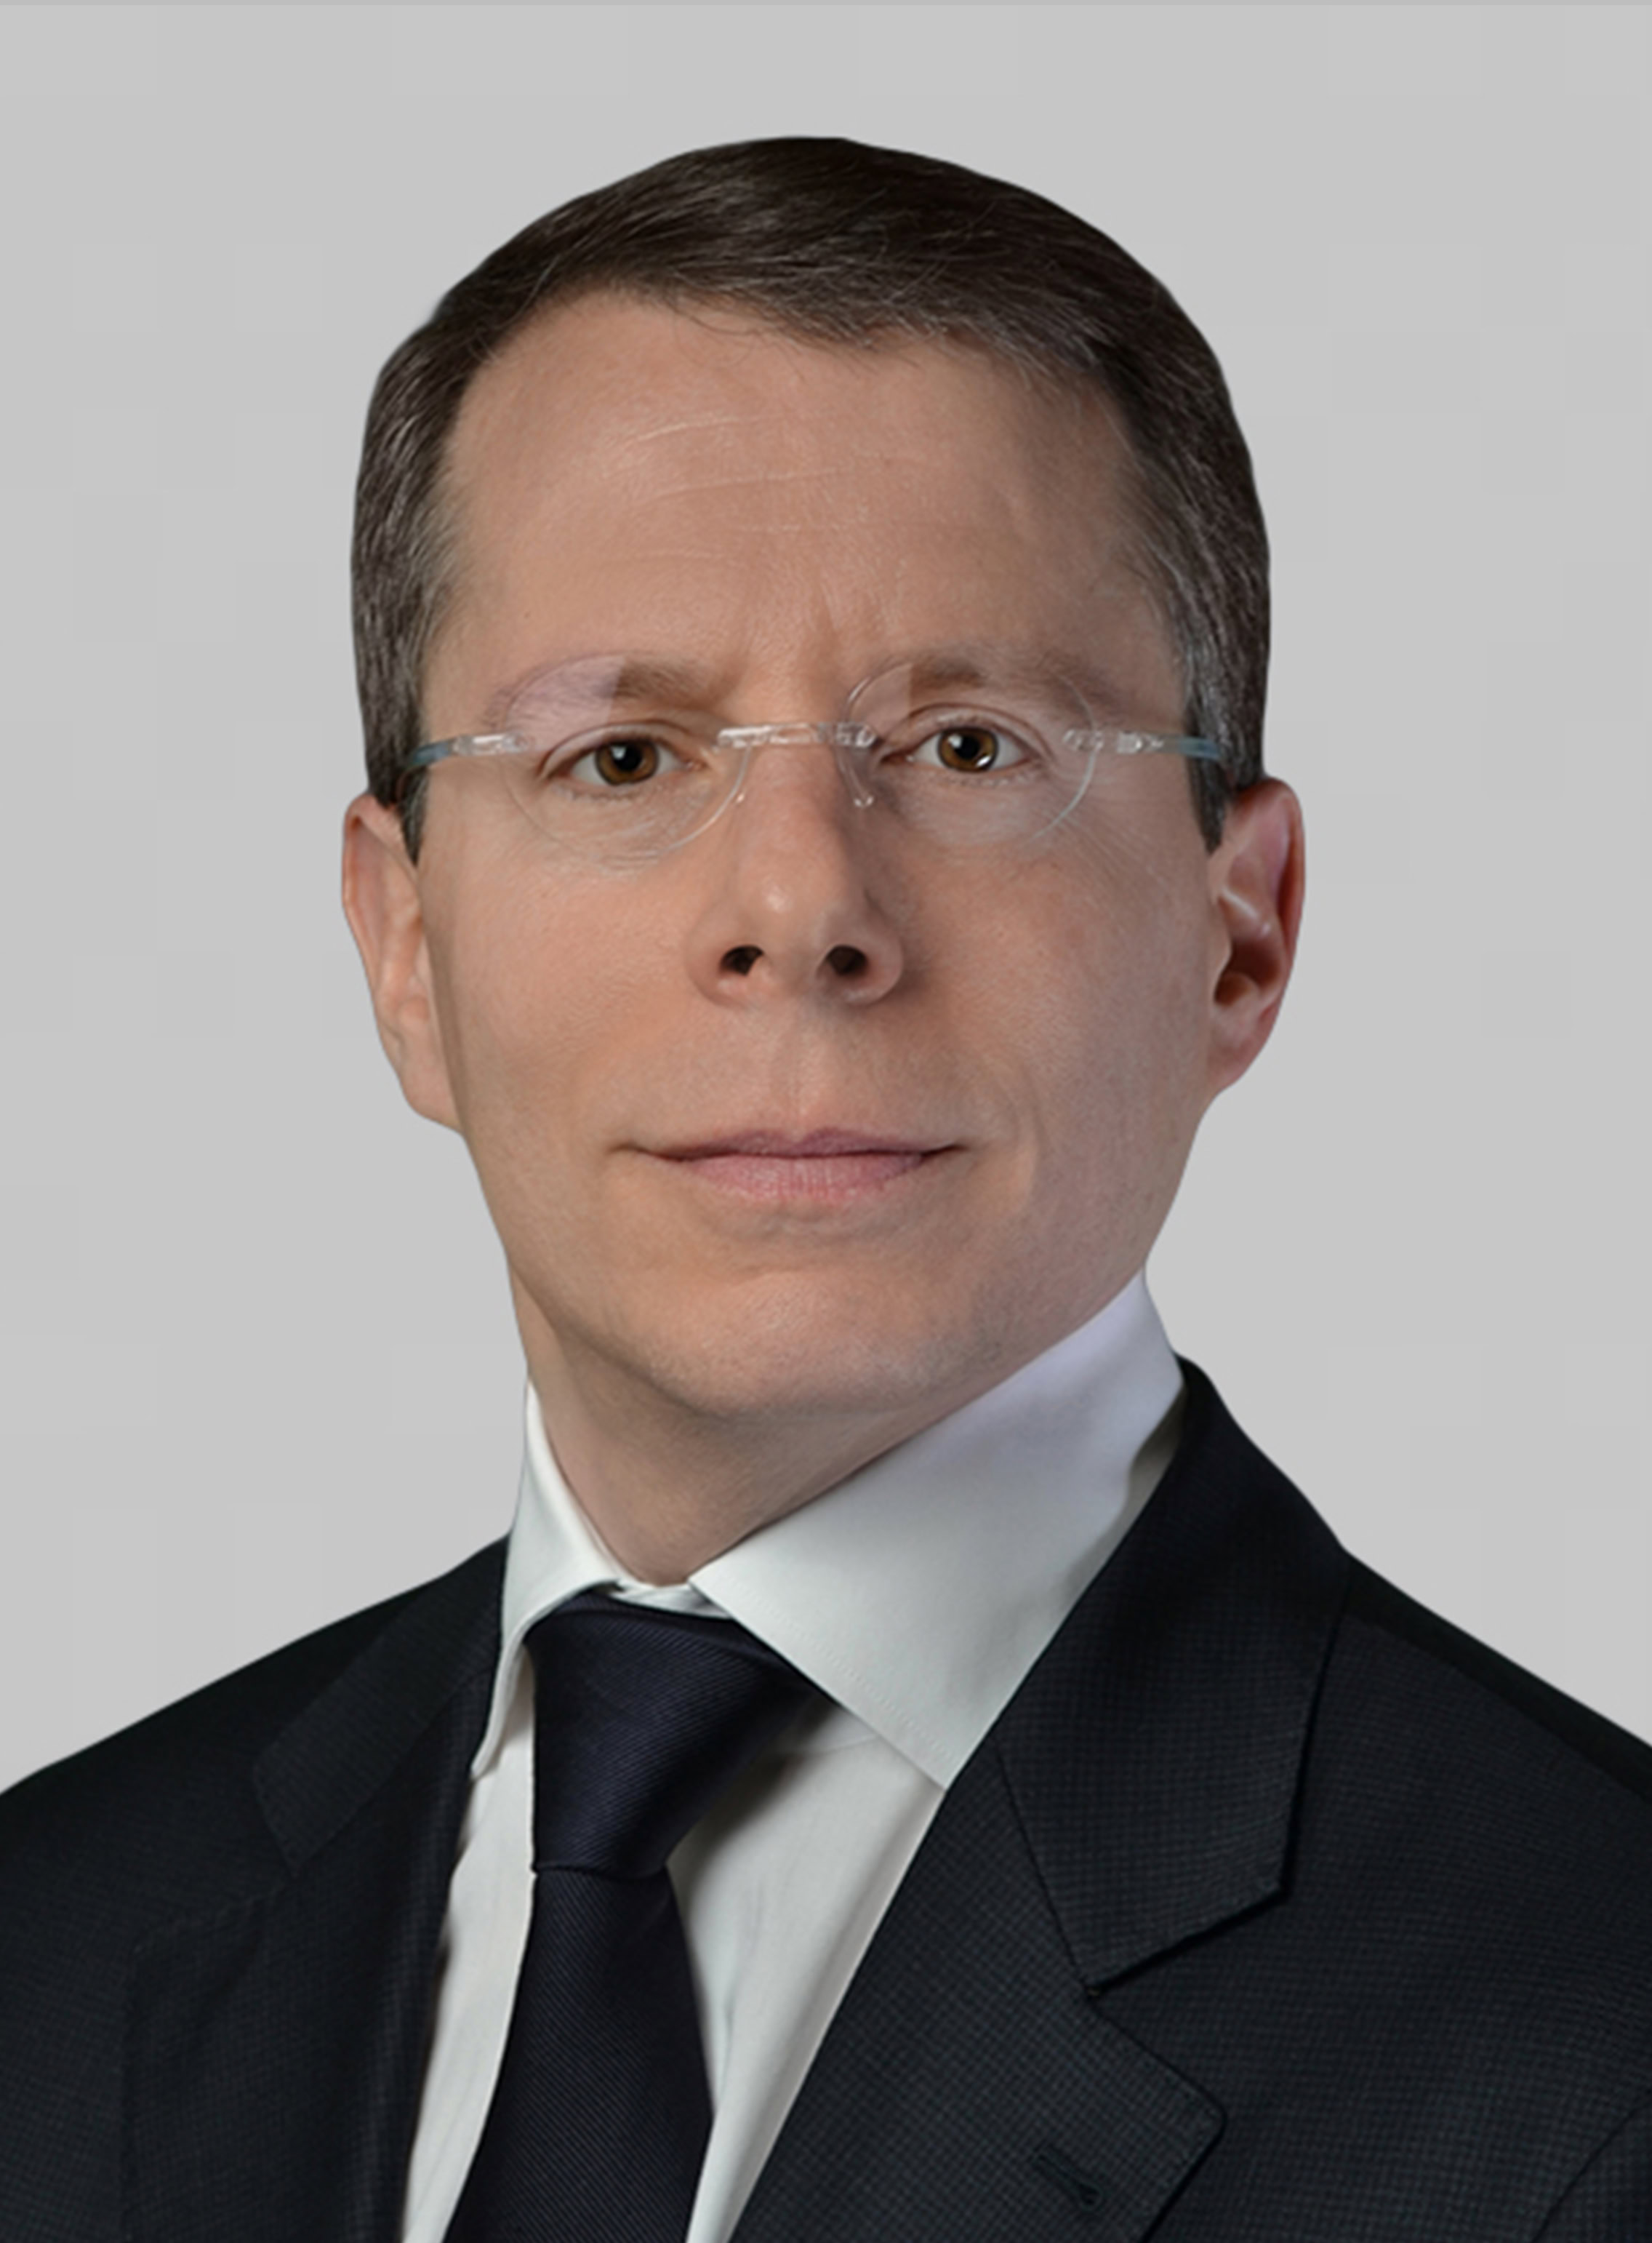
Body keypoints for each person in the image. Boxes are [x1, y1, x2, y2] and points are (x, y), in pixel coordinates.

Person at [3, 136, 1650, 2242]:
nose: (799, 908)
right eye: (621, 757)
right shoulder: (52, 1943)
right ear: (405, 947)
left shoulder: (1599, 2035)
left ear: (1237, 936)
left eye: (970, 746)